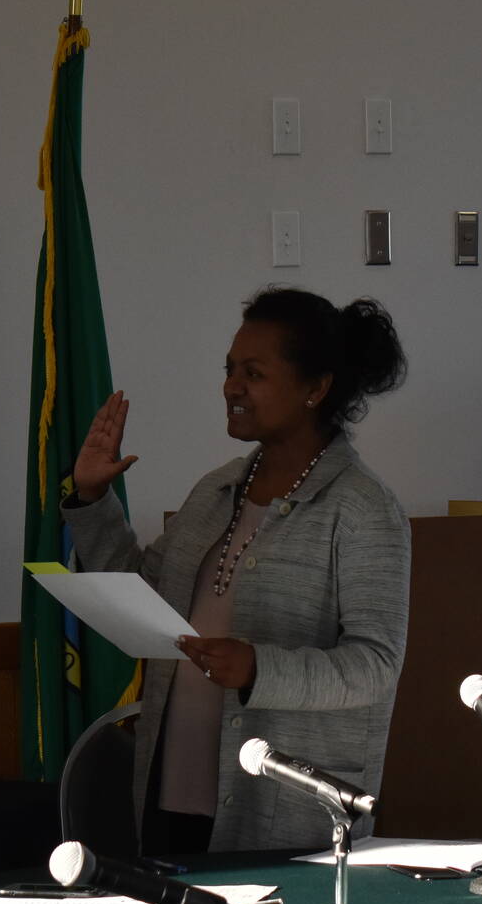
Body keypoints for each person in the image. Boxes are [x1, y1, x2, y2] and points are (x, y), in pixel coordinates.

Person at [63, 286, 410, 854]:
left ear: (315, 389)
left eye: (253, 372)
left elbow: (375, 665)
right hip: (172, 791)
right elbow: (145, 597)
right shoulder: (216, 488)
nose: (231, 386)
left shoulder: (363, 508)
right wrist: (94, 498)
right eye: (229, 370)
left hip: (286, 810)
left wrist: (258, 668)